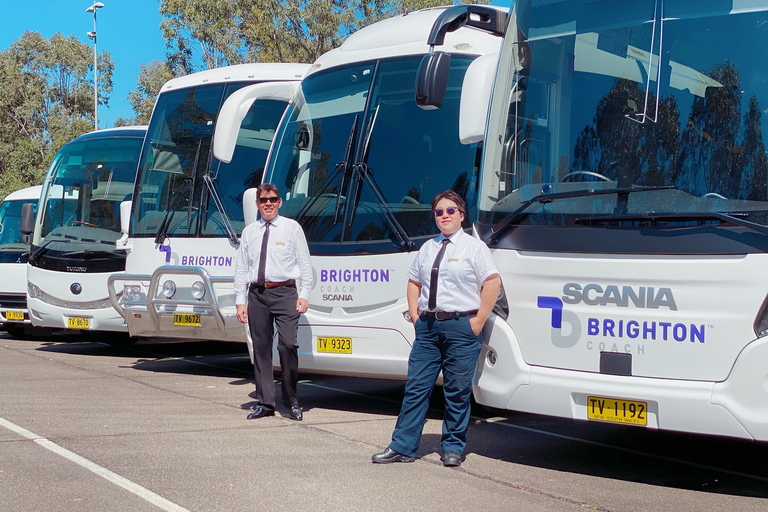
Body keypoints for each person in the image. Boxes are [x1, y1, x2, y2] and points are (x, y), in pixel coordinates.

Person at [372, 190, 501, 467]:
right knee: (416, 387)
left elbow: (492, 283)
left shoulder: (474, 248)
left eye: (450, 211)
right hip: (429, 327)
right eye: (439, 212)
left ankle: (453, 447)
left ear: (462, 215)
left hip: (461, 326)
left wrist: (478, 321)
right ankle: (402, 447)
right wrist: (416, 317)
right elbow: (414, 282)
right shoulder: (428, 247)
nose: (444, 216)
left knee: (456, 390)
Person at [234, 183, 312, 421]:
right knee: (261, 350)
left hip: (285, 292)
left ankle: (292, 400)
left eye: (272, 199)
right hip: (257, 294)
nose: (268, 203)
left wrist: (304, 294)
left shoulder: (292, 228)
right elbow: (241, 268)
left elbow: (305, 264)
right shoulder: (249, 232)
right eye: (263, 200)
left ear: (280, 202)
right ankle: (266, 403)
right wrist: (240, 301)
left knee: (288, 345)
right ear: (257, 204)